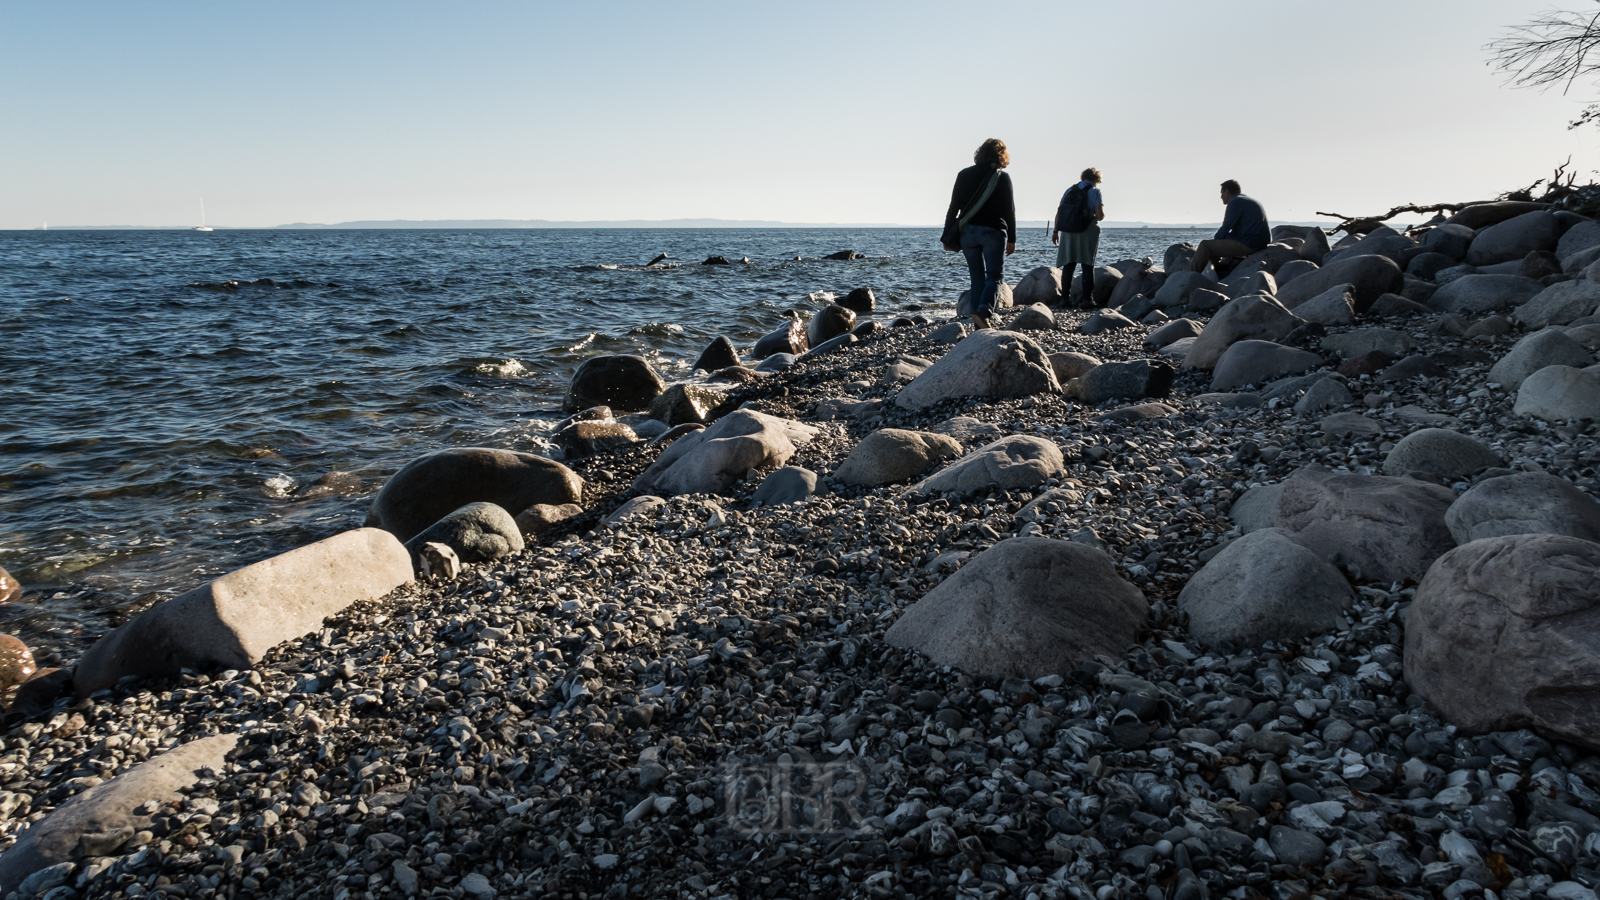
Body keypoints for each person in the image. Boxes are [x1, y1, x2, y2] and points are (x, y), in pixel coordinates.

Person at [941, 138, 1016, 329]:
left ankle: (978, 325)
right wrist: (1012, 238)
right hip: (993, 232)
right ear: (1002, 156)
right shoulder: (1001, 176)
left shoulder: (963, 174)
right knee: (995, 277)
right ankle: (983, 312)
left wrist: (946, 236)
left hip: (968, 232)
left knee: (976, 278)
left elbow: (953, 208)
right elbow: (1009, 211)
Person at [1190, 179, 1271, 275]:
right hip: (1260, 242)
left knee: (1205, 245)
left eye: (1222, 193)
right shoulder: (1247, 200)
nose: (1221, 196)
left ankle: (1189, 275)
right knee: (1218, 243)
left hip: (1250, 244)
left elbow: (1226, 228)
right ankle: (1217, 272)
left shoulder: (1235, 202)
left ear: (1227, 192)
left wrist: (1215, 241)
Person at [1051, 168, 1106, 306]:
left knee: (1069, 265)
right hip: (1086, 230)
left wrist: (1055, 231)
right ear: (1096, 179)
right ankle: (1087, 300)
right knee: (1087, 265)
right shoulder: (1095, 191)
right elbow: (1099, 215)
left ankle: (1064, 299)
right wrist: (1100, 215)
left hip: (1068, 231)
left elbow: (1060, 211)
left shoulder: (1070, 190)